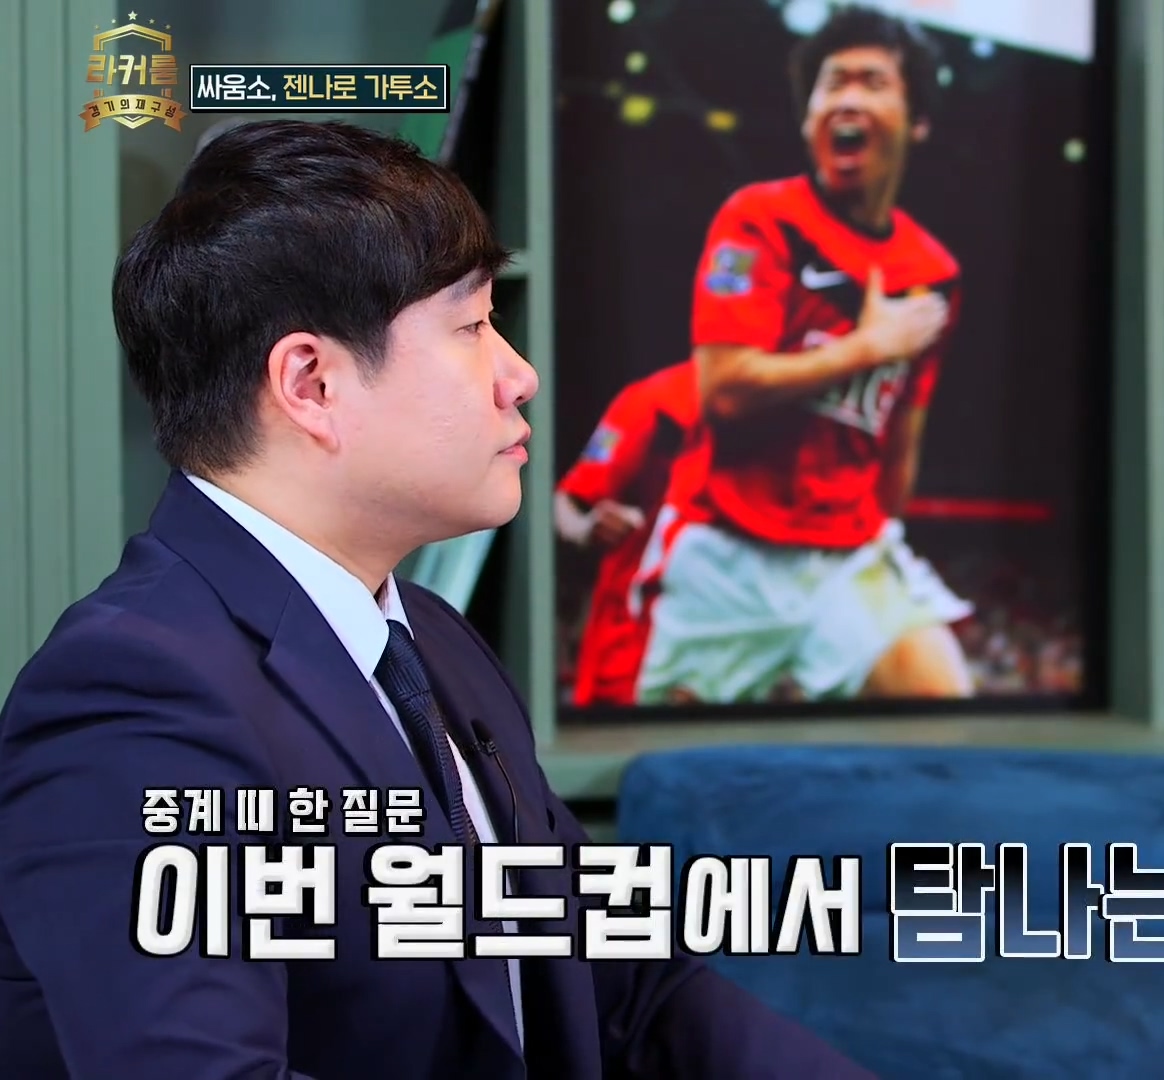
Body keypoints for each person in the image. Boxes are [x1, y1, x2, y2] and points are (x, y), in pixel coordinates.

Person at [0, 119, 874, 1079]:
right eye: (471, 327)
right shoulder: (133, 693)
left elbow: (627, 985)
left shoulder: (431, 643)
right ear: (311, 383)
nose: (519, 375)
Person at [633, 5, 974, 705]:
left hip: (847, 553)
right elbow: (725, 386)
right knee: (668, 750)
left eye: (871, 82)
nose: (847, 99)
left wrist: (884, 523)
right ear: (809, 114)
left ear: (917, 121)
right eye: (832, 83)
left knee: (944, 711)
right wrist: (870, 346)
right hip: (728, 552)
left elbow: (903, 432)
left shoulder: (933, 271)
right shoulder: (758, 219)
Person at [553, 360, 700, 708]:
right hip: (638, 646)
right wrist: (586, 529)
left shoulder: (816, 396)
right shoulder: (653, 400)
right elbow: (566, 502)